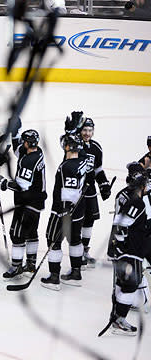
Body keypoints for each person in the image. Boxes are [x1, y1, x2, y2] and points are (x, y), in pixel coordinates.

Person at [40, 134, 92, 290]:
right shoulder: (83, 162)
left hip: (63, 211)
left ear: (68, 147)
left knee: (53, 240)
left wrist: (63, 211)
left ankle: (54, 277)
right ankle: (76, 273)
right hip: (79, 210)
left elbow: (68, 192)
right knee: (75, 239)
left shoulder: (66, 167)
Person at [0, 129, 47, 279]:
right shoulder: (37, 152)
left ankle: (16, 266)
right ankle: (31, 264)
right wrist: (15, 132)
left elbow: (22, 185)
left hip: (27, 202)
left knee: (17, 234)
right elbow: (17, 150)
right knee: (31, 233)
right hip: (38, 201)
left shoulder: (28, 160)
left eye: (23, 141)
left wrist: (3, 183)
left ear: (27, 143)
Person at [107, 170, 149, 335]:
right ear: (142, 186)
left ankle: (116, 316)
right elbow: (122, 224)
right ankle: (119, 320)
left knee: (122, 284)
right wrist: (121, 246)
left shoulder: (129, 200)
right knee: (131, 285)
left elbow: (119, 221)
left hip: (125, 251)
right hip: (132, 252)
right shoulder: (138, 203)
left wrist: (116, 247)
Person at [76, 118, 112, 268]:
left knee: (89, 221)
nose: (87, 133)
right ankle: (76, 254)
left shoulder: (96, 148)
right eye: (84, 130)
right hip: (76, 189)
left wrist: (104, 184)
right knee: (77, 221)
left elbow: (98, 169)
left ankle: (84, 252)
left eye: (90, 130)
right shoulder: (74, 145)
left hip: (90, 189)